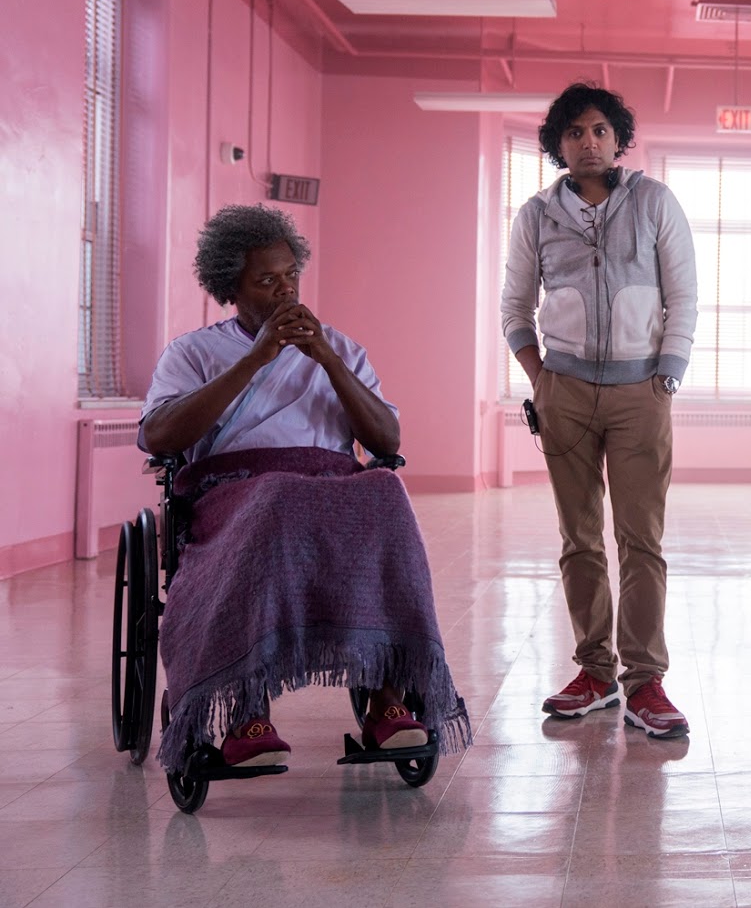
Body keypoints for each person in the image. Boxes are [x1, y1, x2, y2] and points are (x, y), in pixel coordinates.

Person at [139, 204, 470, 771]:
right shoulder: (193, 353)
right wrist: (256, 358)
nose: (285, 289)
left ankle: (387, 702)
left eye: (290, 274)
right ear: (231, 287)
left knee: (385, 491)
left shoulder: (340, 347)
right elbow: (159, 436)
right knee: (277, 498)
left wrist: (329, 362)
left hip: (329, 482)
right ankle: (247, 712)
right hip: (236, 490)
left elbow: (386, 438)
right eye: (266, 280)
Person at [500, 82, 698, 739]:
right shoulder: (536, 216)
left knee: (642, 540)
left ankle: (646, 681)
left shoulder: (654, 202)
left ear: (618, 139)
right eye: (574, 132)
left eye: (599, 130)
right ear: (558, 144)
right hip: (565, 391)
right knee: (579, 538)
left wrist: (666, 377)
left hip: (642, 392)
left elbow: (683, 296)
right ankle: (594, 671)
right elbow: (514, 309)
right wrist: (543, 382)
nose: (588, 142)